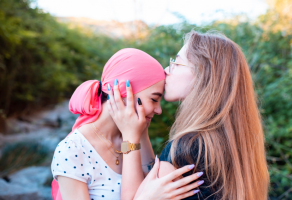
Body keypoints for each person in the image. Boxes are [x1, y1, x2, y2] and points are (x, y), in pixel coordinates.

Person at [107, 30, 270, 200]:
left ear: (202, 73)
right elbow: (150, 174)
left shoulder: (187, 150)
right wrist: (141, 129)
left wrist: (129, 137)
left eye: (176, 63)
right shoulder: (230, 146)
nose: (166, 70)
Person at [51, 48, 204, 200]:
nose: (158, 110)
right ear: (124, 92)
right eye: (154, 99)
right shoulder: (72, 151)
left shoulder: (132, 134)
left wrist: (139, 132)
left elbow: (151, 178)